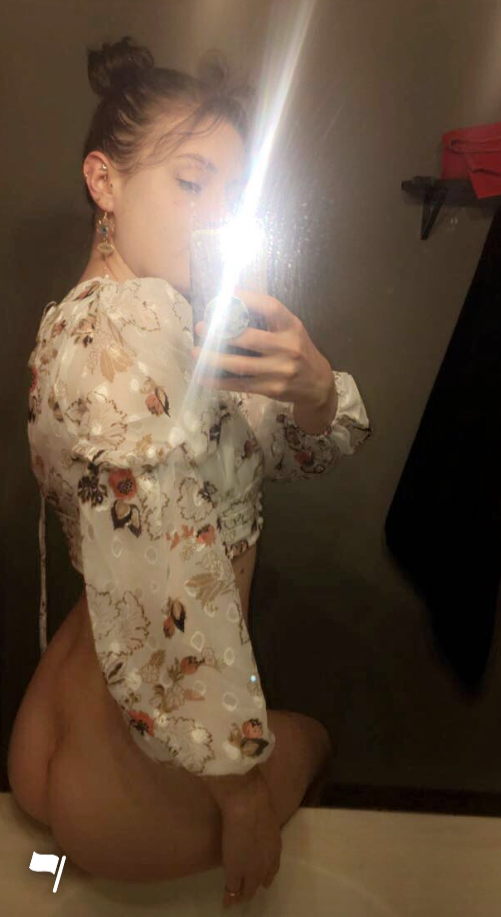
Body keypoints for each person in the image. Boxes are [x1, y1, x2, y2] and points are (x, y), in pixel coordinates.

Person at [8, 36, 372, 904]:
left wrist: (315, 390)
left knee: (46, 883)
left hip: (54, 722)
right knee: (315, 739)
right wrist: (242, 794)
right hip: (137, 774)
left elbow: (288, 448)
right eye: (189, 181)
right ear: (104, 182)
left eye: (231, 196)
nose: (213, 216)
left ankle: (53, 870)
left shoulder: (98, 325)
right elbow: (169, 572)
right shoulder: (130, 339)